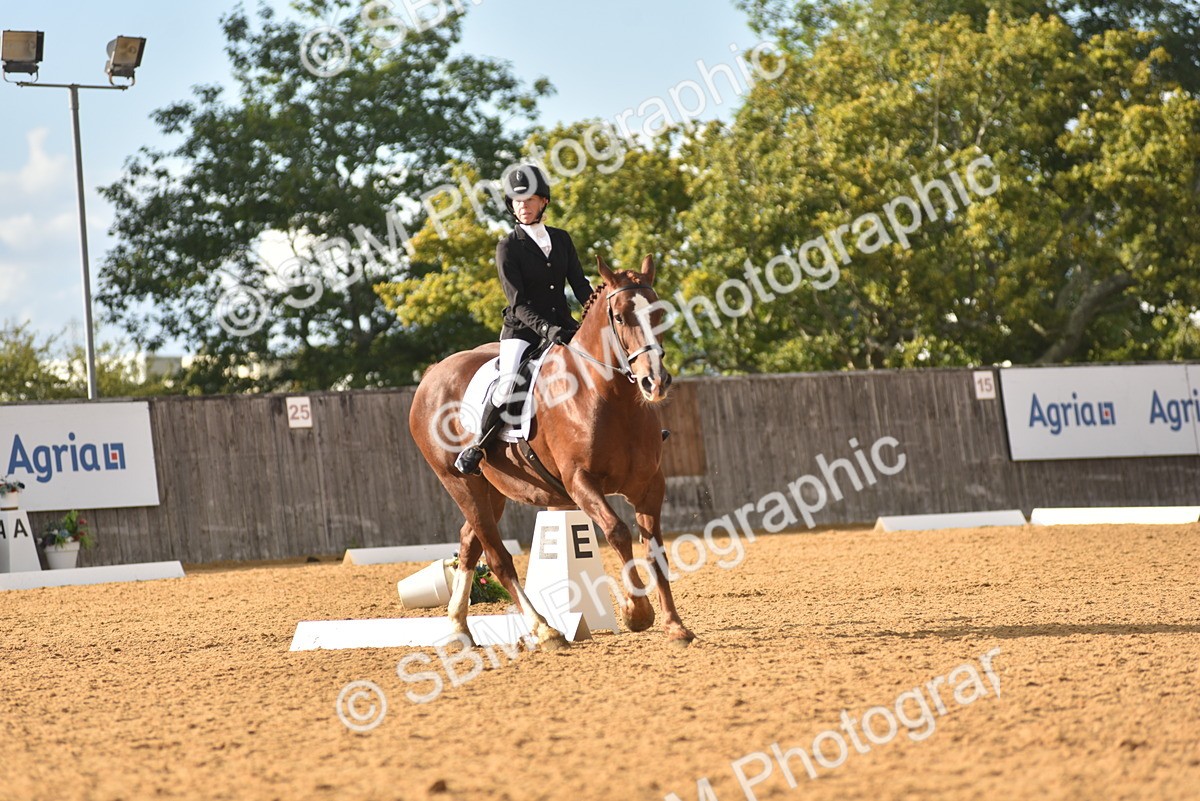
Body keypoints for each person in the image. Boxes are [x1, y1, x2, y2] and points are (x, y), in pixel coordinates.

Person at [454, 164, 595, 476]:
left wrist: (597, 313)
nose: (523, 206)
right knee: (508, 385)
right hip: (523, 332)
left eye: (529, 199)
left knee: (607, 359)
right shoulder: (508, 247)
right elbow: (517, 303)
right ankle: (478, 445)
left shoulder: (561, 239)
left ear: (543, 201)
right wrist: (547, 329)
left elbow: (580, 285)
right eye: (517, 201)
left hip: (564, 327)